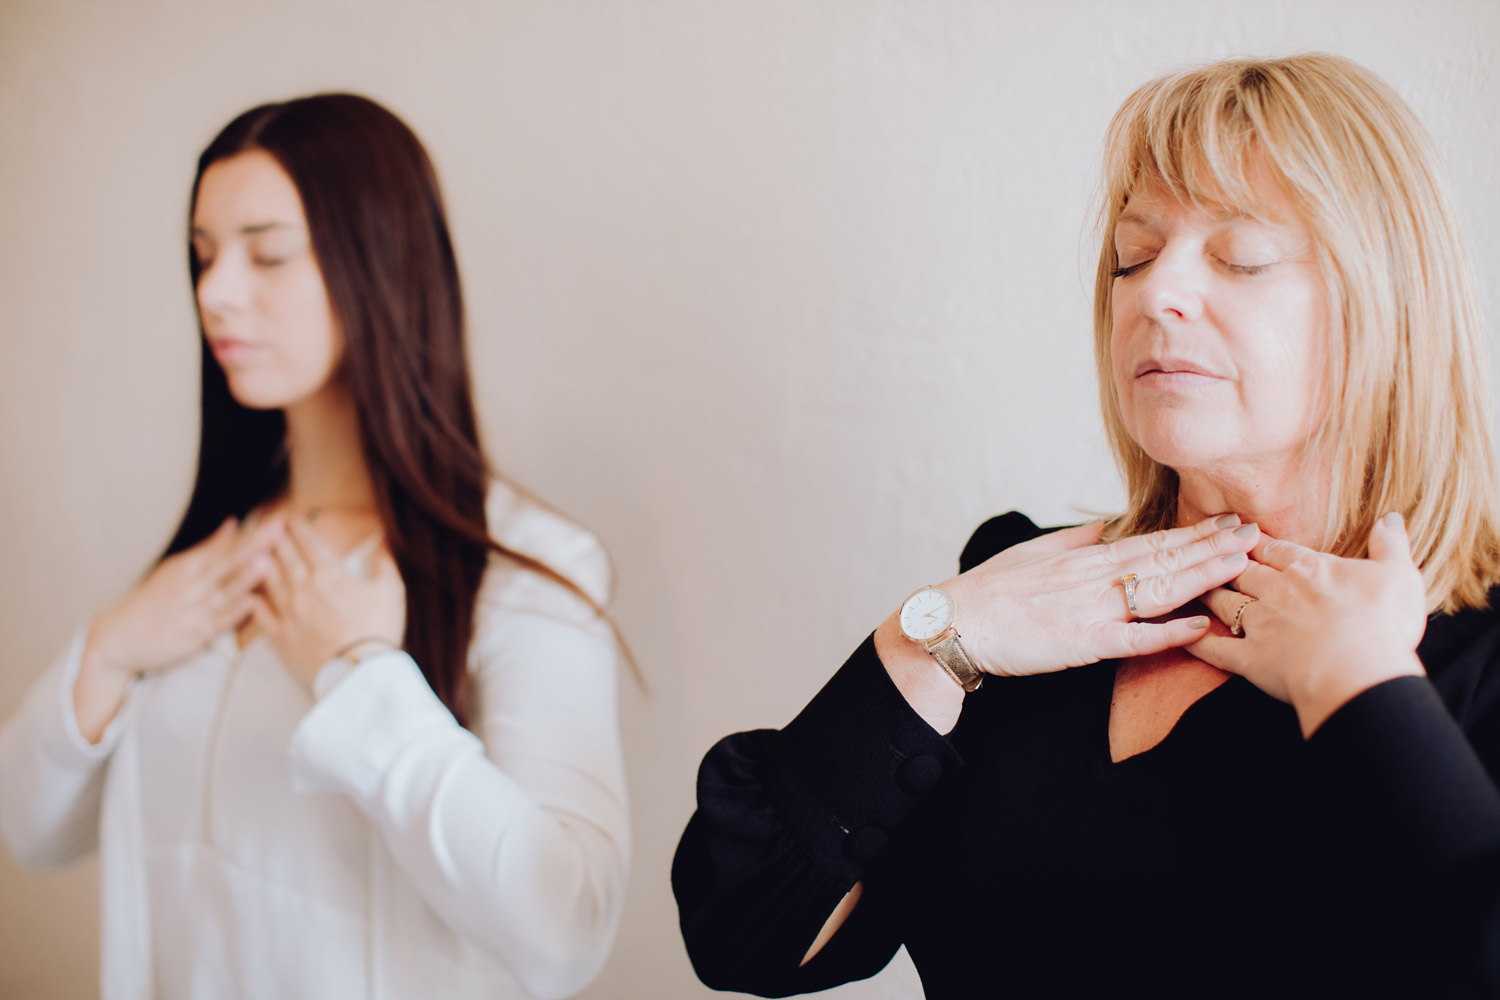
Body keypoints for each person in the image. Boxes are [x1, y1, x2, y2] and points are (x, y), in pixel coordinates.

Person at [673, 53, 1500, 998]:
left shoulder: (1477, 655)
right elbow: (742, 930)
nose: (1155, 294)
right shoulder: (1022, 607)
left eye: (1241, 256)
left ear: (1388, 302)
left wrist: (1360, 685)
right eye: (1133, 255)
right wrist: (935, 639)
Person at [0, 94, 629, 1000]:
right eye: (204, 254)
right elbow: (30, 830)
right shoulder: (212, 563)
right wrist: (108, 649)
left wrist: (363, 675)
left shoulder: (527, 570)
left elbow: (567, 933)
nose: (214, 291)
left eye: (267, 252)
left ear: (380, 261)